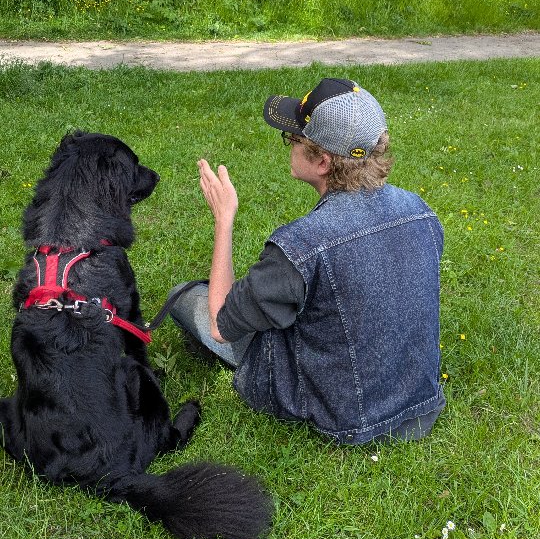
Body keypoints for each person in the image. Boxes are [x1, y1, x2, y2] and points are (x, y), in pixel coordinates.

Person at [169, 77, 445, 444]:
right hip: (419, 408)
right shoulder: (421, 212)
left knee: (184, 298)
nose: (289, 145)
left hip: (344, 415)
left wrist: (224, 220)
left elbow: (222, 325)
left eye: (294, 139)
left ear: (323, 162)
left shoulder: (301, 246)